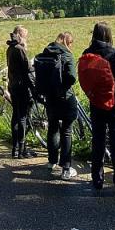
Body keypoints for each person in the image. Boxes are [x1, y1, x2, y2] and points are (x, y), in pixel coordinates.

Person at [82, 22, 115, 195]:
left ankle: (97, 179)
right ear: (108, 35)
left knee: (98, 139)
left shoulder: (87, 53)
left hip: (96, 102)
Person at [38, 32, 79, 180]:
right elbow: (72, 77)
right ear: (68, 42)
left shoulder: (45, 53)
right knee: (67, 131)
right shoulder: (67, 55)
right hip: (66, 97)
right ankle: (66, 168)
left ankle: (52, 161)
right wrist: (64, 88)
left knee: (53, 128)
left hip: (50, 98)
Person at [6, 25, 37, 158]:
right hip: (22, 87)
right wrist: (35, 88)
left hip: (13, 85)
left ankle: (15, 148)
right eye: (25, 35)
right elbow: (28, 70)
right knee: (23, 117)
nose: (26, 38)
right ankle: (22, 149)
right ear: (20, 35)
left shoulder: (10, 48)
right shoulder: (20, 49)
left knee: (15, 117)